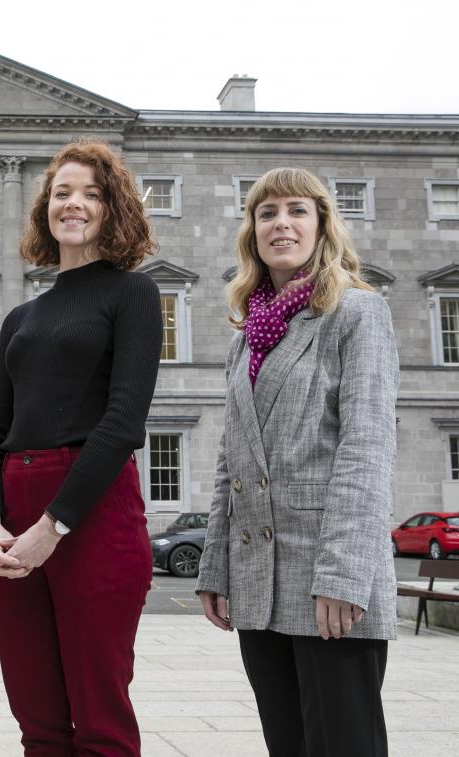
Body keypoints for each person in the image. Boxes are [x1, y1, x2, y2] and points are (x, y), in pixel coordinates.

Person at [196, 167, 398, 757]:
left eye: (296, 210)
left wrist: (342, 576)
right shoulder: (247, 337)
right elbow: (230, 459)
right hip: (258, 582)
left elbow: (366, 450)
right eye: (267, 213)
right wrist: (215, 567)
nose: (280, 223)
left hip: (329, 581)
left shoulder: (358, 312)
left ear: (322, 225)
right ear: (252, 232)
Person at [0, 138, 163, 756]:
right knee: (37, 720)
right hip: (16, 512)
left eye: (91, 193)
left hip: (92, 506)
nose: (73, 203)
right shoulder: (20, 317)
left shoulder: (133, 294)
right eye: (62, 193)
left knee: (100, 718)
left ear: (113, 209)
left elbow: (123, 422)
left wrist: (52, 526)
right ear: (45, 208)